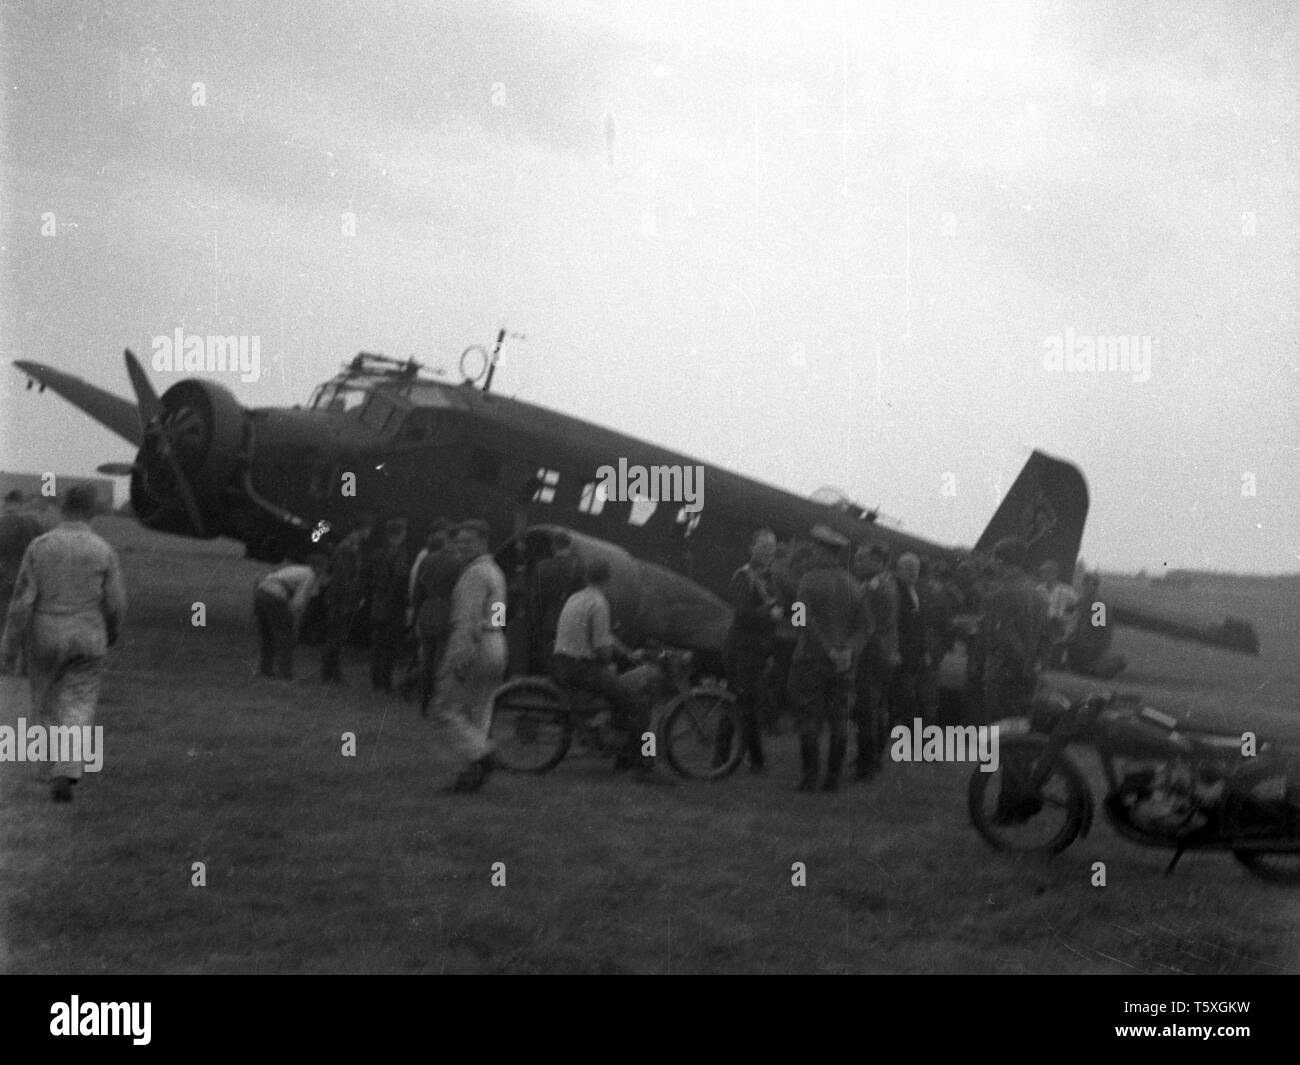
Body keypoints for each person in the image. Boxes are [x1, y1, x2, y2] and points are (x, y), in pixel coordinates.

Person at [0, 486, 126, 802]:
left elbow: (22, 601)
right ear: (92, 513)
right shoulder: (102, 549)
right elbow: (115, 602)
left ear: (62, 509)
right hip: (88, 633)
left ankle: (46, 769)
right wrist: (111, 631)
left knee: (44, 701)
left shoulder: (40, 546)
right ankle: (67, 771)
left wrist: (9, 646)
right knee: (79, 703)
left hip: (44, 632)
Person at [551, 557, 667, 782]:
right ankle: (647, 765)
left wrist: (628, 654)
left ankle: (624, 756)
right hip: (583, 669)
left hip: (562, 664)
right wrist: (611, 660)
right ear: (608, 579)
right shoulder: (599, 603)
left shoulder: (577, 598)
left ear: (586, 577)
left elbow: (606, 636)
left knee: (621, 698)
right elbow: (603, 650)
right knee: (640, 706)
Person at [787, 524, 868, 793]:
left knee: (809, 719)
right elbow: (866, 626)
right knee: (840, 720)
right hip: (845, 665)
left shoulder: (808, 581)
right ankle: (832, 778)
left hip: (810, 661)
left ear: (822, 552)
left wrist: (827, 649)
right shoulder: (854, 585)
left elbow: (801, 621)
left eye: (814, 550)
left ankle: (810, 777)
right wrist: (848, 651)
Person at [431, 520, 507, 792]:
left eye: (468, 542)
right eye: (459, 541)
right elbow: (497, 613)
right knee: (478, 714)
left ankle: (483, 755)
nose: (461, 546)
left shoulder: (474, 574)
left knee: (443, 709)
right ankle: (470, 777)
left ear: (483, 542)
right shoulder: (496, 572)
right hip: (497, 640)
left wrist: (460, 657)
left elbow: (467, 620)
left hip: (476, 642)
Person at [716, 528, 781, 772]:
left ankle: (747, 759)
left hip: (758, 649)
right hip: (741, 649)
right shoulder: (744, 576)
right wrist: (770, 616)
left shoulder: (769, 578)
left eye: (771, 547)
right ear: (751, 548)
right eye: (763, 546)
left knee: (747, 703)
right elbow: (742, 614)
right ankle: (729, 759)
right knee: (738, 702)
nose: (768, 551)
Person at [980, 538, 1047, 721]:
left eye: (994, 559)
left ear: (1000, 561)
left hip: (1004, 673)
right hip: (1027, 672)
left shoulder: (1003, 594)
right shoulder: (1037, 593)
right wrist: (1030, 665)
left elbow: (1005, 636)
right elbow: (1044, 635)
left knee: (995, 731)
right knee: (1016, 729)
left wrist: (1014, 666)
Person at [411, 523, 466, 716]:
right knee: (441, 662)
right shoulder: (459, 563)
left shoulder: (428, 559)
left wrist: (417, 615)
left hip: (427, 611)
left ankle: (424, 704)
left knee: (427, 660)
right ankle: (437, 704)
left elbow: (418, 592)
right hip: (446, 612)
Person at [254, 553, 327, 679]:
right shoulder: (310, 576)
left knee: (268, 635)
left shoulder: (298, 569)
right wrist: (293, 620)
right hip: (274, 597)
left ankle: (265, 670)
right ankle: (284, 674)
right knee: (285, 637)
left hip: (260, 593)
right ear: (318, 567)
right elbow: (298, 602)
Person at [850, 544, 888, 779]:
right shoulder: (882, 583)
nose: (857, 564)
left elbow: (867, 626)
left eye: (862, 560)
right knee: (876, 708)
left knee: (866, 709)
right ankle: (873, 758)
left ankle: (867, 764)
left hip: (870, 653)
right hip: (880, 654)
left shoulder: (874, 588)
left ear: (877, 562)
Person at [320, 516, 374, 684]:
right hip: (341, 600)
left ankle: (333, 673)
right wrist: (349, 599)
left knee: (338, 638)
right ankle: (329, 674)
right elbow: (342, 577)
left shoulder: (353, 546)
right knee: (335, 637)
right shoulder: (348, 547)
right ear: (361, 529)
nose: (369, 533)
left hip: (344, 599)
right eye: (368, 530)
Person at [0, 490, 45, 674]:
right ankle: (26, 666)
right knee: (27, 622)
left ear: (6, 503)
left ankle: (5, 665)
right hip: (28, 579)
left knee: (3, 621)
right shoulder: (35, 524)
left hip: (3, 579)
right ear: (21, 503)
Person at [528, 531, 585, 673]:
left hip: (548, 623)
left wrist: (535, 625)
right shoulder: (579, 568)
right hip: (570, 625)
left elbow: (536, 599)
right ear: (569, 545)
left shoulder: (542, 567)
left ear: (553, 546)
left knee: (545, 664)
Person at [368, 517, 410, 692]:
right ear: (401, 533)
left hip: (377, 604)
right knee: (389, 646)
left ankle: (375, 680)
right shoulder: (399, 554)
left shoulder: (378, 552)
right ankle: (385, 682)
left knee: (377, 645)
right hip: (392, 608)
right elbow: (399, 580)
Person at [1035, 560, 1079, 670]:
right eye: (1042, 573)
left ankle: (1052, 664)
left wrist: (1067, 621)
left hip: (1058, 625)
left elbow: (1077, 607)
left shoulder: (1066, 591)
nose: (1044, 575)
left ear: (1054, 574)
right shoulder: (1039, 590)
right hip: (1042, 623)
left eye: (1047, 572)